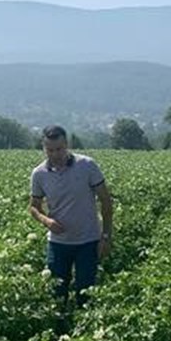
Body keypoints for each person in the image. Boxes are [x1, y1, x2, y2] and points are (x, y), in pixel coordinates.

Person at [29, 125, 113, 309]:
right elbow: (34, 207)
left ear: (66, 145)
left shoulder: (87, 166)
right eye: (49, 150)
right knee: (57, 294)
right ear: (43, 148)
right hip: (58, 244)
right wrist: (47, 221)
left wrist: (106, 236)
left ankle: (85, 333)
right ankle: (60, 331)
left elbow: (106, 202)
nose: (55, 154)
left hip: (88, 241)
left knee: (86, 292)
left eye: (59, 149)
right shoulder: (39, 174)